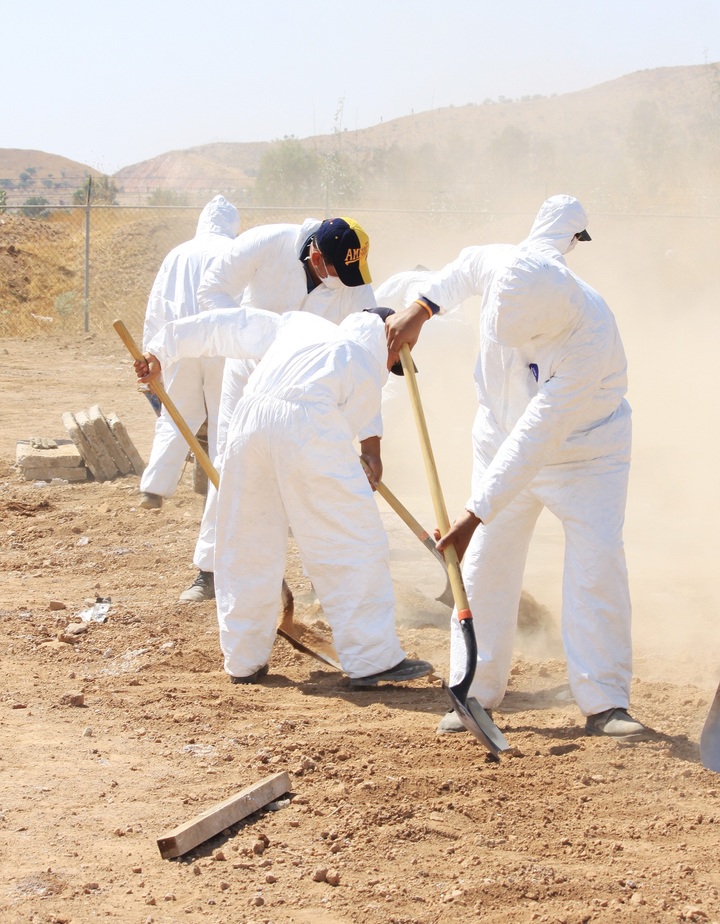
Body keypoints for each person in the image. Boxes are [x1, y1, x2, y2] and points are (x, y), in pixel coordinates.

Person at [385, 195, 647, 740]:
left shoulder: (589, 335)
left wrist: (473, 513)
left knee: (595, 564)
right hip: (498, 434)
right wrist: (422, 308)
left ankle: (605, 701)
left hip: (584, 454)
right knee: (483, 566)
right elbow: (458, 272)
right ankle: (472, 692)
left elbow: (537, 436)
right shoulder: (504, 263)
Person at [136, 304, 433, 687]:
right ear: (390, 339)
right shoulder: (362, 363)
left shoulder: (301, 326)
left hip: (250, 420)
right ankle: (372, 659)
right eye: (395, 354)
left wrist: (160, 351)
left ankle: (244, 661)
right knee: (350, 539)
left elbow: (226, 324)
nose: (392, 362)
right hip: (310, 425)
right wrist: (353, 460)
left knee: (246, 540)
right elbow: (337, 428)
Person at [178, 216, 377, 602]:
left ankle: (325, 578)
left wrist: (371, 442)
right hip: (247, 376)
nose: (344, 281)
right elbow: (213, 288)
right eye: (337, 270)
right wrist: (253, 336)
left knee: (314, 471)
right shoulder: (269, 242)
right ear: (316, 256)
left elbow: (364, 360)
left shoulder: (355, 284)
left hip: (307, 388)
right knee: (231, 466)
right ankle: (212, 571)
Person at [137, 195, 241, 510]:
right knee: (226, 420)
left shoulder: (177, 254)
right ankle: (221, 490)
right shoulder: (235, 251)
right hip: (222, 346)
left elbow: (157, 306)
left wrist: (151, 353)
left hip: (179, 346)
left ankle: (153, 489)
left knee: (176, 415)